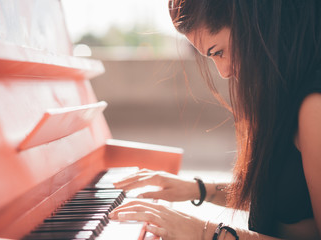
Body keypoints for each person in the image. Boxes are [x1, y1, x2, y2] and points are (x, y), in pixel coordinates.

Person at [108, 0, 321, 239]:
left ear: (256, 23)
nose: (224, 72)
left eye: (218, 52)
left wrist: (206, 232)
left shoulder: (314, 106)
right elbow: (285, 197)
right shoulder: (288, 88)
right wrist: (198, 189)